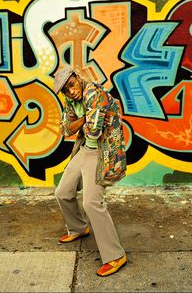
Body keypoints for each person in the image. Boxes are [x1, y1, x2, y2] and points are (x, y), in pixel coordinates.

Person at [54, 65, 127, 277]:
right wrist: (85, 119)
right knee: (63, 192)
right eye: (66, 91)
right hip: (85, 149)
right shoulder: (71, 100)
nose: (71, 92)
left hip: (101, 152)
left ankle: (115, 255)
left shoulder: (95, 94)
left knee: (92, 202)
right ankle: (79, 227)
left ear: (77, 77)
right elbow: (65, 129)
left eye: (72, 85)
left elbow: (94, 131)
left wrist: (80, 123)